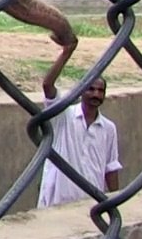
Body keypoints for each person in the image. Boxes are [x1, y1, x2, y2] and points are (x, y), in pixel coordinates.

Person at [36, 60, 122, 208]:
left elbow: (111, 167)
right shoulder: (63, 116)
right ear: (81, 91)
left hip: (90, 204)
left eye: (100, 91)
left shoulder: (109, 128)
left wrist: (115, 204)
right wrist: (66, 52)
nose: (96, 94)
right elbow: (47, 85)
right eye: (91, 89)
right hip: (57, 202)